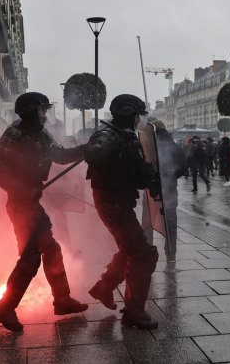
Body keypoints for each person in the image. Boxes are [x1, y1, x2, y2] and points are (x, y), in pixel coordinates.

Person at [0, 92, 88, 332]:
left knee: (51, 249)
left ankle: (62, 300)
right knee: (31, 257)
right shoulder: (15, 134)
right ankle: (5, 307)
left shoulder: (41, 134)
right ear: (31, 111)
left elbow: (61, 155)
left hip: (33, 204)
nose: (45, 115)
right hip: (21, 204)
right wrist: (23, 189)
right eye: (42, 110)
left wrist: (86, 149)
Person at [85, 94, 160, 330]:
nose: (140, 119)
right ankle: (134, 312)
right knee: (143, 254)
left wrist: (150, 176)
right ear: (128, 114)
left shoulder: (127, 136)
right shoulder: (108, 135)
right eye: (137, 114)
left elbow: (135, 174)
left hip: (120, 201)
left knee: (130, 250)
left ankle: (104, 288)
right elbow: (93, 155)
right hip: (112, 203)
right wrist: (118, 142)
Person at [141, 120, 187, 262]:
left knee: (148, 222)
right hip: (170, 189)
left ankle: (148, 252)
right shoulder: (175, 147)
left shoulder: (147, 146)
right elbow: (183, 168)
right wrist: (170, 176)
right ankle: (171, 254)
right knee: (170, 223)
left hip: (151, 189)